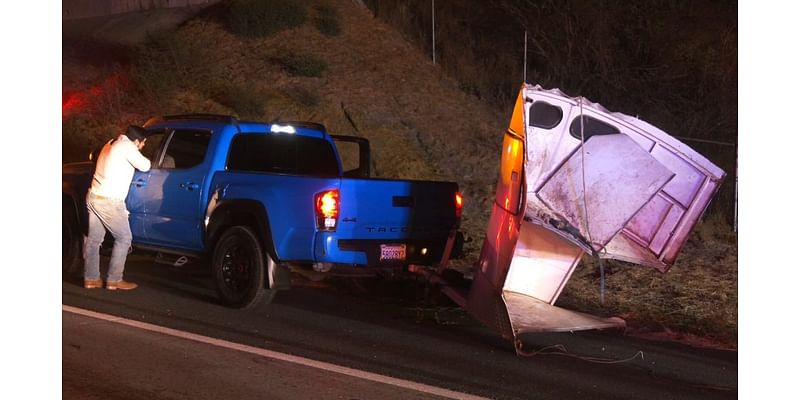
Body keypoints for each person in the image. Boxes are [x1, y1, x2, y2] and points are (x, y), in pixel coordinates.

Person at [83, 125, 151, 290]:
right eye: (142, 143)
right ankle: (114, 279)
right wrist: (138, 152)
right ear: (136, 140)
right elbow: (145, 165)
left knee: (93, 240)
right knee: (124, 238)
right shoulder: (127, 146)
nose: (142, 147)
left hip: (94, 196)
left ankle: (91, 279)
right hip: (109, 200)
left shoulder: (111, 143)